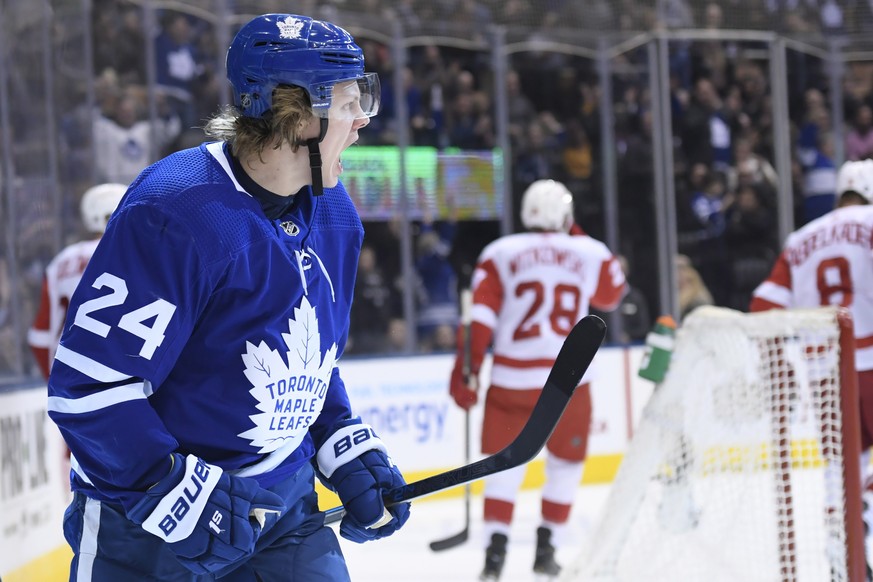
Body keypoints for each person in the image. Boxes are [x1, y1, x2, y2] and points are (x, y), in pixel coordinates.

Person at [47, 14, 410, 582]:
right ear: (297, 116)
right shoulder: (177, 210)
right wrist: (171, 491)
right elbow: (89, 390)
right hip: (147, 531)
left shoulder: (336, 214)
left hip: (283, 510)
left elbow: (308, 356)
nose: (363, 118)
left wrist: (343, 442)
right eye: (347, 102)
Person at [449, 179, 627, 580]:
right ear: (566, 215)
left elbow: (481, 318)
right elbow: (613, 295)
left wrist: (469, 367)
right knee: (566, 464)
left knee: (502, 466)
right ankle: (546, 549)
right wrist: (575, 232)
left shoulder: (499, 252)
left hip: (513, 379)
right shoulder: (589, 250)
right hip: (570, 382)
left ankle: (495, 554)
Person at [750, 159, 873, 482]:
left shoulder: (800, 238)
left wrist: (776, 361)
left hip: (826, 371)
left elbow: (764, 304)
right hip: (870, 359)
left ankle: (841, 526)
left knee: (841, 468)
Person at [27, 183, 127, 379]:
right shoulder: (133, 252)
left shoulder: (62, 260)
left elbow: (40, 335)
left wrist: (54, 383)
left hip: (69, 378)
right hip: (121, 376)